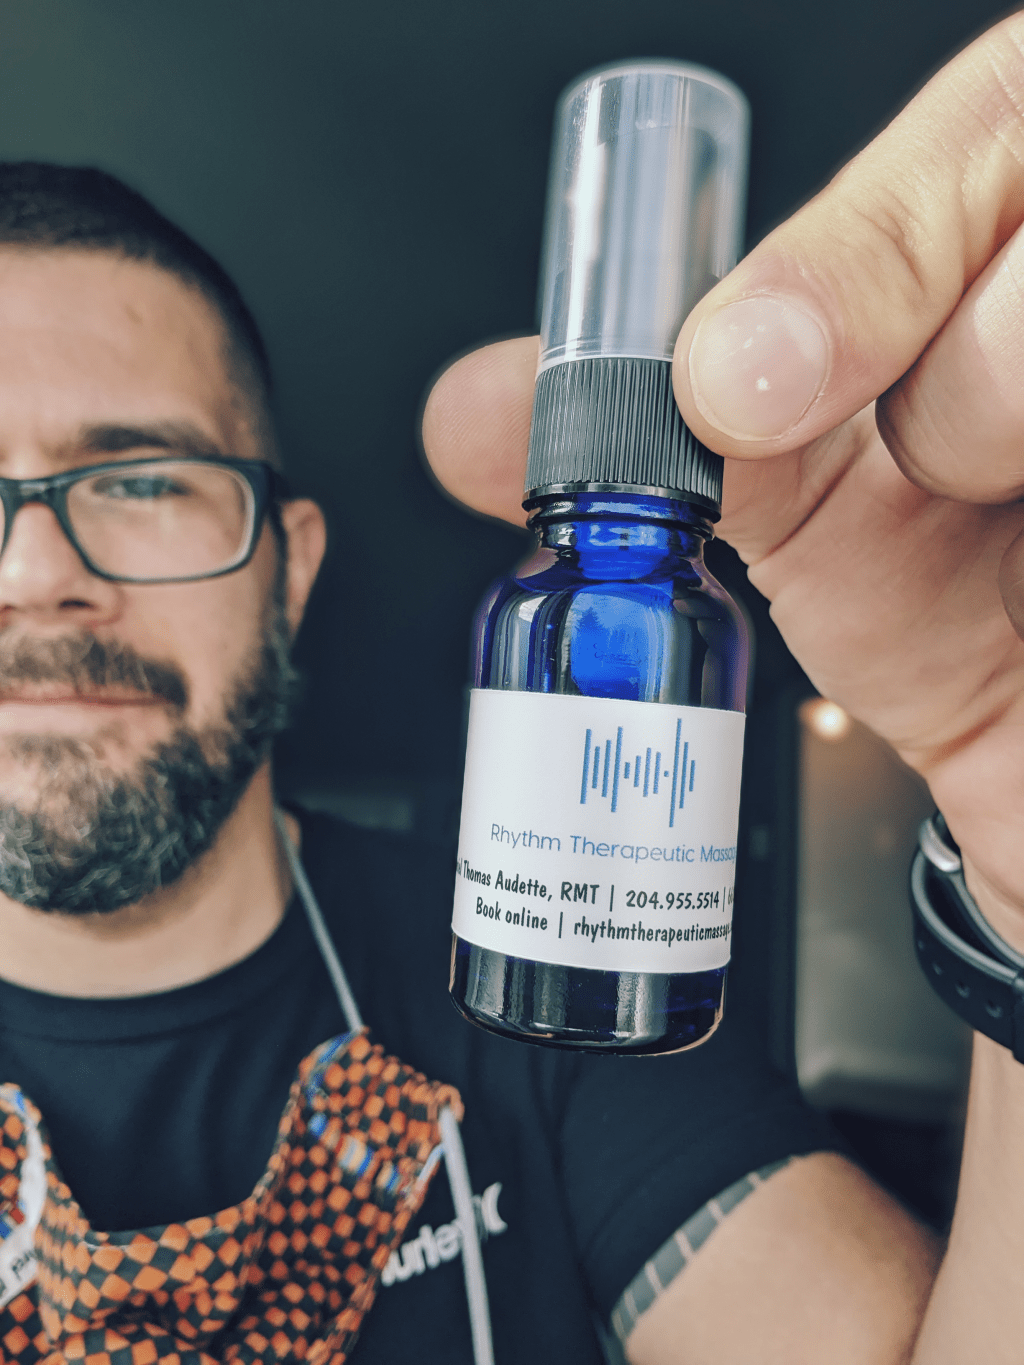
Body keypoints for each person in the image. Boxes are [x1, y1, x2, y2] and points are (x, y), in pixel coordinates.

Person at [0, 14, 1019, 1365]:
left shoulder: (544, 983)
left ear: (290, 571)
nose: (34, 573)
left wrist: (1016, 853)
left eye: (139, 480)